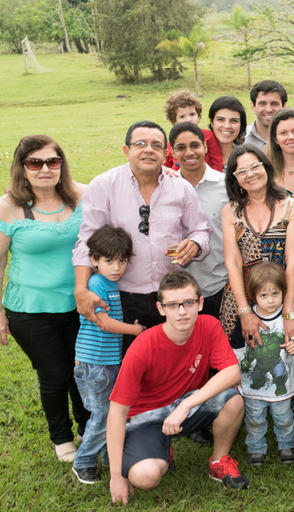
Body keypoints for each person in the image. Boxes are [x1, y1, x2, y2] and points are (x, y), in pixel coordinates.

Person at [0, 135, 88, 462]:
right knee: (56, 374)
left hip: (80, 305)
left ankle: (89, 426)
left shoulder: (82, 196)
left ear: (61, 165)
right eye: (35, 162)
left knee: (82, 370)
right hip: (30, 310)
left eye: (52, 161)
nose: (45, 169)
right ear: (23, 168)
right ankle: (61, 437)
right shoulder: (8, 206)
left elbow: (120, 185)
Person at [106, 270, 248, 505]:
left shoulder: (209, 326)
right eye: (173, 305)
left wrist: (186, 405)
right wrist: (116, 476)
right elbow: (117, 412)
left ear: (200, 303)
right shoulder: (143, 347)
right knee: (146, 478)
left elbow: (232, 372)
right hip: (146, 416)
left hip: (187, 406)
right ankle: (156, 447)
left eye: (188, 303)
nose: (182, 311)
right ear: (161, 309)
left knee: (233, 399)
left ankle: (218, 462)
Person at [73, 120, 210, 354]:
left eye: (156, 145)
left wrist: (195, 245)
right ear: (127, 151)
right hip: (122, 296)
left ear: (166, 153)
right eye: (140, 144)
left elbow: (201, 230)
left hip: (171, 296)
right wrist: (81, 289)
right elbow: (87, 240)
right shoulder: (104, 186)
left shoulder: (181, 188)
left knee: (171, 363)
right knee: (131, 365)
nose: (149, 149)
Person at [217, 143, 294, 433]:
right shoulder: (230, 210)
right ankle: (248, 422)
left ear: (266, 167)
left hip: (286, 293)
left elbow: (293, 263)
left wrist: (287, 312)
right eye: (241, 170)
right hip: (241, 296)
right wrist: (245, 311)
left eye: (255, 166)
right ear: (234, 177)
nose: (250, 173)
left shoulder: (292, 206)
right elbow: (232, 263)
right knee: (241, 360)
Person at [70, 226, 145, 484]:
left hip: (108, 361)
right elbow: (105, 323)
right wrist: (136, 330)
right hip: (95, 363)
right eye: (109, 261)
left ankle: (106, 454)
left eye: (122, 261)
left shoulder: (110, 283)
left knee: (111, 410)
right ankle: (83, 460)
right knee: (103, 414)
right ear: (94, 260)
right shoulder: (95, 284)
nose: (117, 267)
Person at [229, 262, 294, 467]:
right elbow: (236, 346)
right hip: (252, 379)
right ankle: (256, 448)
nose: (270, 301)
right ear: (253, 295)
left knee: (283, 416)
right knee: (255, 418)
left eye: (275, 294)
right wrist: (238, 367)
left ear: (284, 292)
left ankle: (286, 445)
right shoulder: (246, 319)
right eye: (264, 295)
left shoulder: (288, 316)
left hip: (281, 372)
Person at [170, 122, 229, 318]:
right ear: (172, 153)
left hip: (219, 285)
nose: (189, 152)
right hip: (177, 292)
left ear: (205, 147)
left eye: (194, 145)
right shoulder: (165, 188)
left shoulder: (226, 186)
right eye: (181, 147)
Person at [162, 90, 222, 171]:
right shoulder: (173, 141)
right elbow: (167, 163)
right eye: (182, 116)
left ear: (199, 116)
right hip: (178, 180)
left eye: (192, 114)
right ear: (174, 121)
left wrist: (215, 179)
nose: (189, 119)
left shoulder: (208, 136)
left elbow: (217, 159)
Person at [243, 80, 287, 151]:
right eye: (262, 103)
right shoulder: (239, 140)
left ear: (284, 107)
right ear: (253, 107)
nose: (268, 110)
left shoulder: (293, 141)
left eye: (274, 104)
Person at [207, 95, 247, 166]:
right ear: (212, 122)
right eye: (220, 120)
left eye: (234, 120)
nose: (227, 126)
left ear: (241, 125)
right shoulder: (198, 156)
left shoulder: (246, 159)